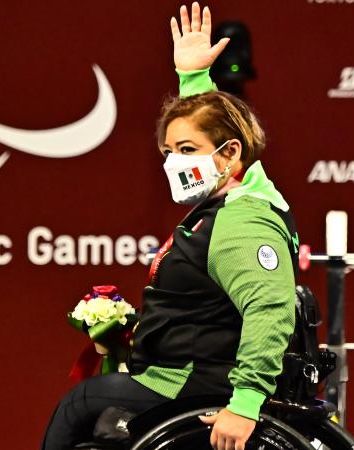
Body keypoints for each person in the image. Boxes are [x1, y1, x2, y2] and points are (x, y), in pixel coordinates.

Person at [41, 3, 299, 450]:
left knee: (79, 404)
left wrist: (245, 403)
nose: (175, 163)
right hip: (180, 372)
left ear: (230, 154)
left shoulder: (245, 220)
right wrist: (193, 80)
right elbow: (211, 127)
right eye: (168, 152)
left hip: (193, 384)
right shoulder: (239, 192)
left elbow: (270, 310)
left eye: (185, 150)